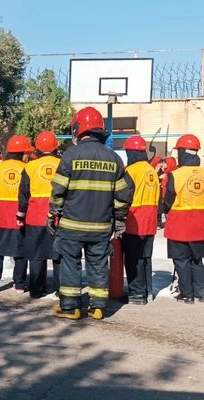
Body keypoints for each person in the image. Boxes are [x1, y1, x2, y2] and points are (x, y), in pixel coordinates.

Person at [49, 107, 132, 320]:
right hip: (101, 227)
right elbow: (123, 194)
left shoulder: (70, 155)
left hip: (72, 226)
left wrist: (53, 214)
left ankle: (71, 308)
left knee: (70, 264)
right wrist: (119, 218)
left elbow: (58, 190)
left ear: (78, 128)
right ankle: (98, 307)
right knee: (98, 265)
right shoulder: (114, 158)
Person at [0, 135, 33, 294]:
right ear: (22, 152)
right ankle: (19, 284)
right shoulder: (27, 168)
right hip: (20, 214)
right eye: (27, 152)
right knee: (21, 250)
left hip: (0, 214)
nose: (28, 155)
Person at [17, 131, 61, 298]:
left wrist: (20, 215)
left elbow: (23, 195)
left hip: (35, 217)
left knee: (36, 254)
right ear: (55, 147)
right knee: (58, 255)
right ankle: (61, 290)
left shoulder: (30, 167)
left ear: (38, 148)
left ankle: (36, 290)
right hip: (57, 217)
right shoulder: (63, 163)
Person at [163, 134, 204, 304]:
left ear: (182, 152)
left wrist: (163, 210)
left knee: (181, 261)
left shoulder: (175, 175)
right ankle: (201, 293)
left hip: (179, 224)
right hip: (200, 223)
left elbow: (168, 200)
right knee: (197, 260)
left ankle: (187, 294)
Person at [122, 135, 160, 304]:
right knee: (146, 257)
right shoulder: (151, 170)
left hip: (134, 220)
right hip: (150, 219)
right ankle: (147, 292)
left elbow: (125, 196)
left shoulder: (131, 171)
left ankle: (136, 294)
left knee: (133, 258)